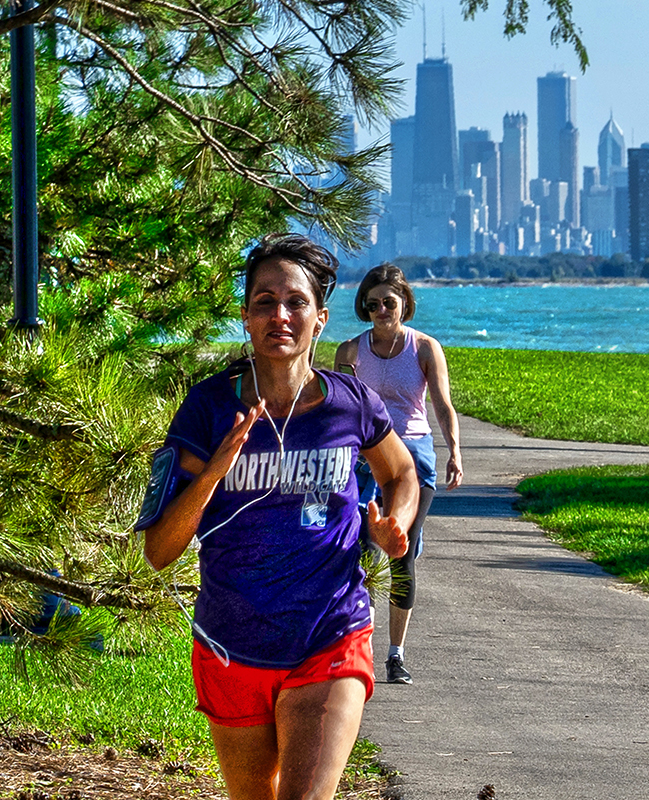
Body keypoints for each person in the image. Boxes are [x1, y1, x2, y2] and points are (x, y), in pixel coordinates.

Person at [137, 233, 417, 800]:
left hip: (331, 634)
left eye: (295, 302)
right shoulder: (209, 407)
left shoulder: (351, 403)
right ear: (245, 317)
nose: (280, 315)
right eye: (264, 301)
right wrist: (214, 473)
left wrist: (397, 523)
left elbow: (400, 473)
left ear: (320, 319)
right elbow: (159, 551)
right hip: (230, 641)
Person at [334, 264, 464, 686]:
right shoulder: (351, 352)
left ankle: (396, 654)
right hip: (366, 456)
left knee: (401, 552)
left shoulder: (424, 348)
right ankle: (360, 648)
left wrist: (454, 453)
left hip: (414, 455)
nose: (381, 311)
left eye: (388, 302)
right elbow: (338, 411)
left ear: (404, 304)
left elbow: (442, 405)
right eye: (372, 305)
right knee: (360, 551)